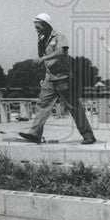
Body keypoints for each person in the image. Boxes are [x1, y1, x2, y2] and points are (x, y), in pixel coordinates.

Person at [19, 13, 96, 145]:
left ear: (46, 25)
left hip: (63, 77)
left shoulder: (59, 37)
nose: (36, 30)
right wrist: (40, 44)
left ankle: (88, 135)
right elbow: (41, 56)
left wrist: (43, 58)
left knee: (74, 107)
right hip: (49, 78)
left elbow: (61, 52)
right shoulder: (43, 40)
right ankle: (35, 134)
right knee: (43, 105)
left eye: (38, 27)